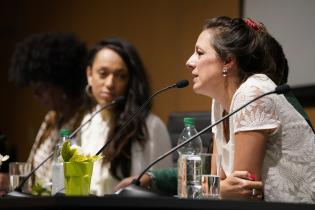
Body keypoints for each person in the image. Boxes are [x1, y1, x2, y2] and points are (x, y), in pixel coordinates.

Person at [116, 17, 315, 203]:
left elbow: (246, 193)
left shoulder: (252, 92)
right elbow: (219, 184)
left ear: (228, 61)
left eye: (200, 53)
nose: (189, 61)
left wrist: (206, 190)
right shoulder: (219, 103)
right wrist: (214, 189)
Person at [79, 37, 172, 196]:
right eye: (103, 73)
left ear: (130, 81)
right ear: (89, 74)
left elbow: (163, 189)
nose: (110, 83)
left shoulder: (151, 126)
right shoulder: (89, 121)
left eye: (121, 76)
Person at [8, 32, 88, 190]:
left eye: (41, 88)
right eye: (34, 89)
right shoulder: (51, 119)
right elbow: (31, 171)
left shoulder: (86, 120)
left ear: (62, 83)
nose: (36, 95)